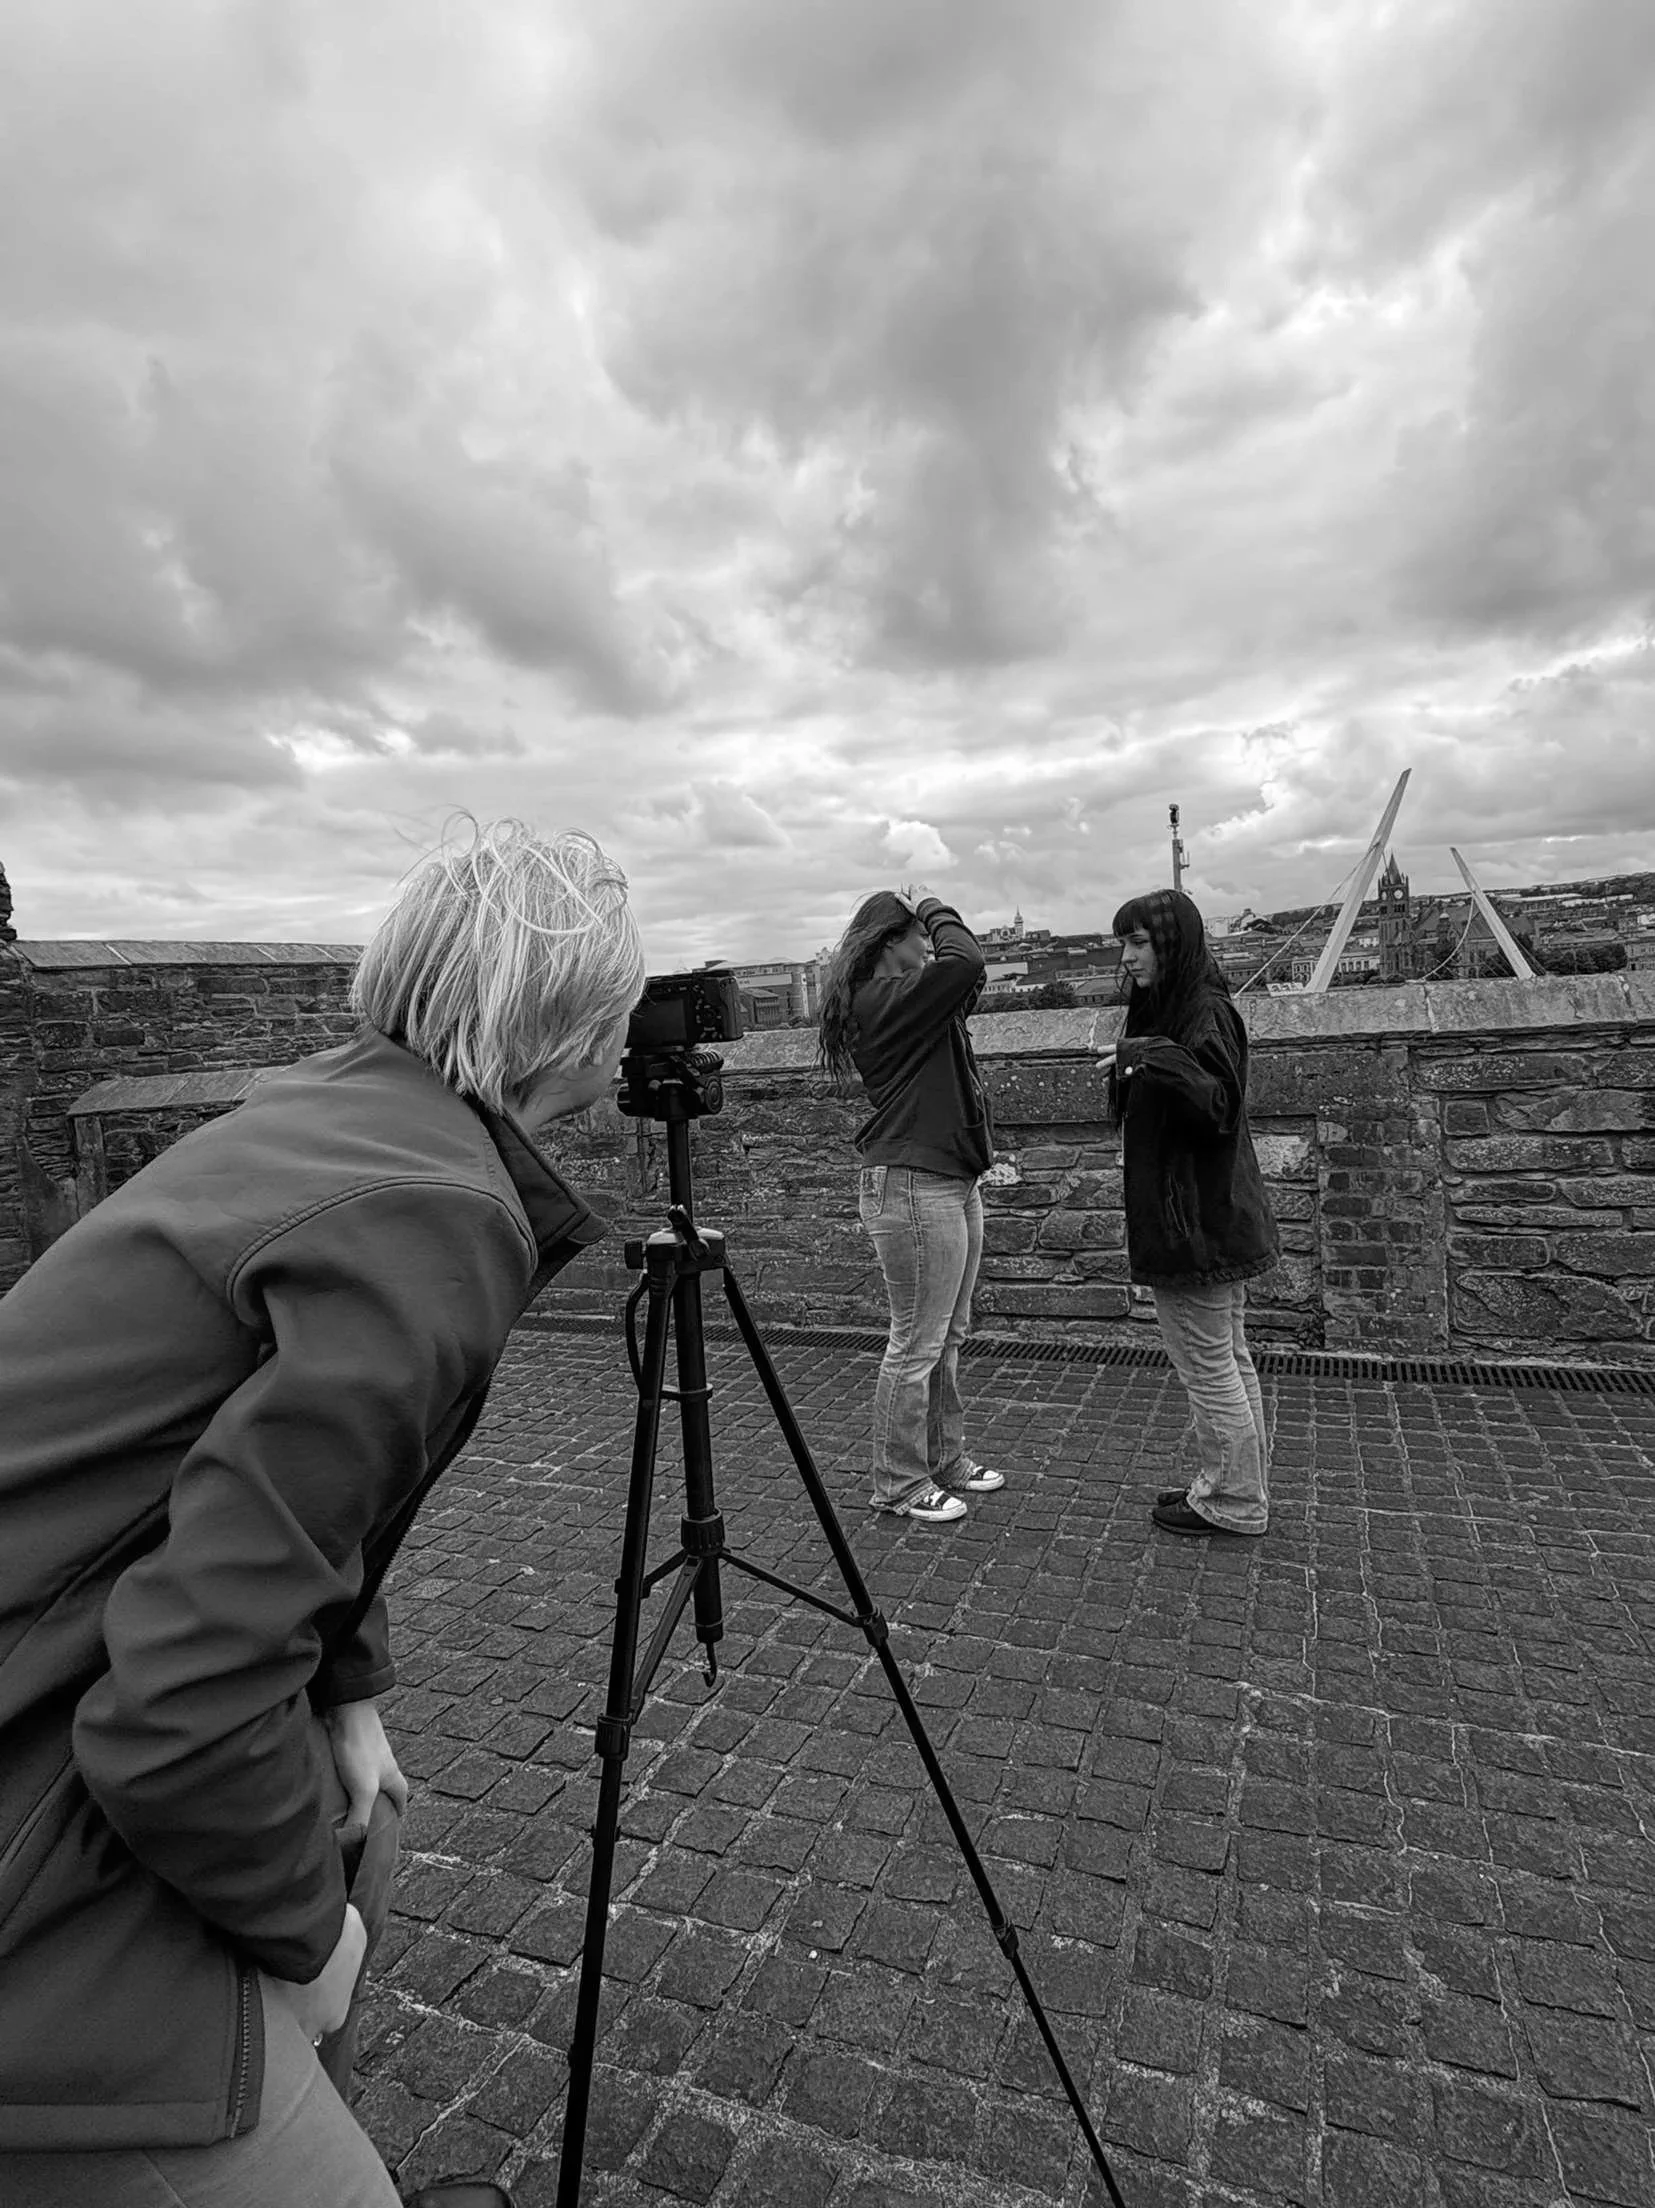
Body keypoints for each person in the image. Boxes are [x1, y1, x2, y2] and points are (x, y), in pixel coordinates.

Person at [0, 820, 646, 2208]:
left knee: (371, 1819)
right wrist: (308, 1945)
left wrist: (347, 1691)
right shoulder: (435, 1209)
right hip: (32, 1791)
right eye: (623, 1007)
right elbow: (174, 1708)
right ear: (568, 1026)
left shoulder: (330, 1115)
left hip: (70, 1675)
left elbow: (269, 1494)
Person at [818, 886, 1004, 1525]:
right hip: (912, 1183)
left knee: (948, 1334)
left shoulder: (911, 1001)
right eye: (918, 934)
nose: (928, 944)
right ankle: (898, 1483)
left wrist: (927, 921)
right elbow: (967, 963)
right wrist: (933, 903)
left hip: (952, 1178)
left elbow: (963, 981)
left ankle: (944, 1460)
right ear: (890, 940)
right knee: (916, 1342)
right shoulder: (881, 1002)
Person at [1111, 887, 1278, 1537]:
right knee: (1225, 1361)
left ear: (1171, 942)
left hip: (1197, 1226)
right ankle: (1230, 1485)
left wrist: (1149, 1054)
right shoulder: (1185, 1009)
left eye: (1137, 942)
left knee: (1210, 1367)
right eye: (1121, 943)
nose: (1126, 957)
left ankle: (1234, 1502)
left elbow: (1214, 1107)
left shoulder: (1203, 1012)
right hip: (1204, 1219)